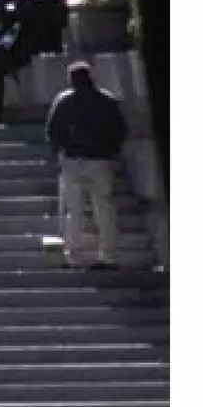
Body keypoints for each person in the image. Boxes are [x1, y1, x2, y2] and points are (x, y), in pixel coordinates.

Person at [46, 61, 127, 268]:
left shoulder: (64, 101)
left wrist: (60, 150)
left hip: (73, 160)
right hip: (100, 160)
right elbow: (119, 130)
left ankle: (73, 256)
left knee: (74, 211)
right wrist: (112, 150)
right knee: (104, 209)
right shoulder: (107, 100)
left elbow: (53, 131)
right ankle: (109, 256)